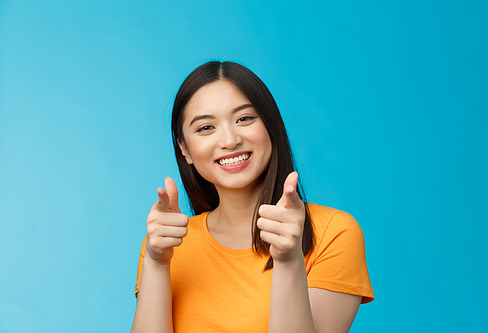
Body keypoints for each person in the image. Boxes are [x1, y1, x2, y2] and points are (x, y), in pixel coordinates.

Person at [131, 61, 374, 333]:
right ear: (185, 149)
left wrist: (288, 261)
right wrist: (155, 264)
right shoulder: (167, 243)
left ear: (270, 126)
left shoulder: (333, 232)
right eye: (205, 128)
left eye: (244, 119)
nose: (230, 140)